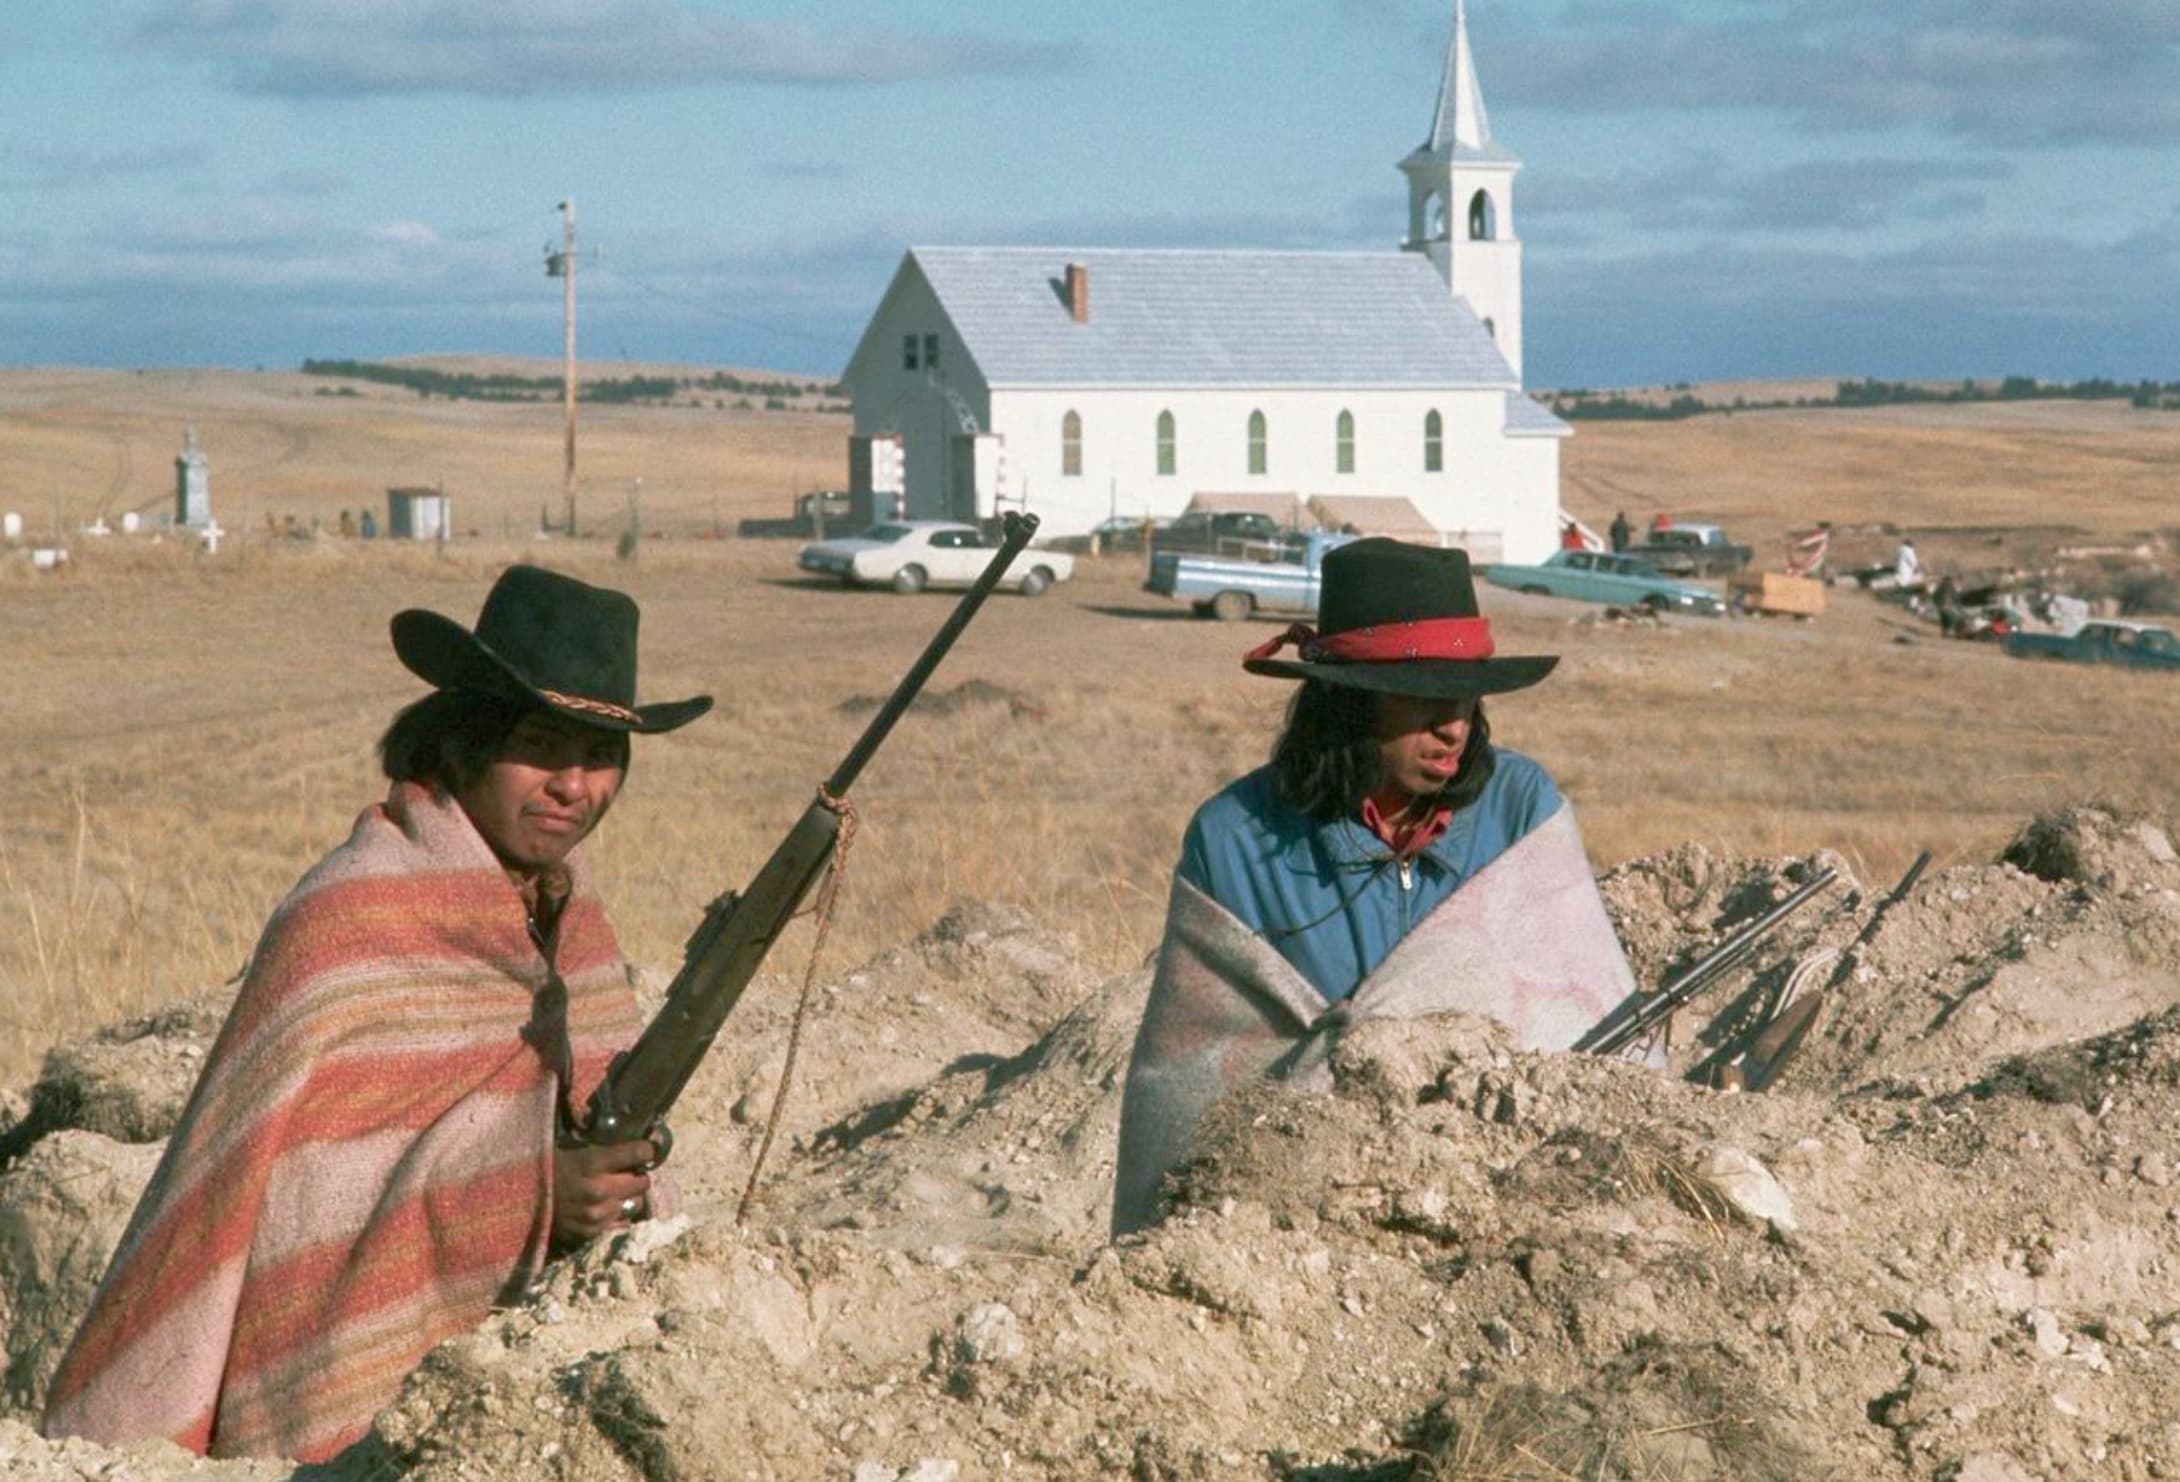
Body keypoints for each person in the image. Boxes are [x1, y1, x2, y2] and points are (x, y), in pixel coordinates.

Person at [44, 566, 712, 1462]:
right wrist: (533, 1192)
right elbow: (295, 1206)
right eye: (543, 745)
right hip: (342, 1405)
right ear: (464, 741)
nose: (574, 786)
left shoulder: (571, 915)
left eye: (601, 758)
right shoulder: (349, 916)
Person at [1113, 540, 1645, 1233]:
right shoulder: (1235, 841)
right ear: (1348, 706)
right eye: (1420, 699)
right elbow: (1190, 1085)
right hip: (1297, 1220)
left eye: (1464, 696)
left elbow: (1589, 1028)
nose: (1452, 727)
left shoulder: (1521, 811)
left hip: (1511, 1209)